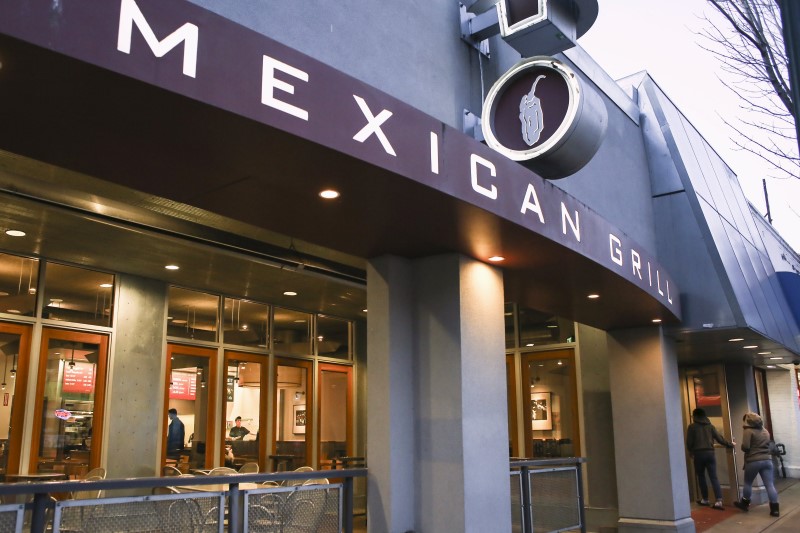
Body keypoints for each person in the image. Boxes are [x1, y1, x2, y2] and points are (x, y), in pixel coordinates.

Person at [686, 408, 734, 510]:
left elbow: (689, 442)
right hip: (710, 453)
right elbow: (719, 438)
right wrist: (730, 444)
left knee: (701, 476)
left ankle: (705, 499)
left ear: (695, 416)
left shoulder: (692, 427)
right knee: (713, 477)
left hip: (698, 454)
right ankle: (719, 500)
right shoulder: (710, 426)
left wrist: (691, 451)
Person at [734, 412, 780, 516]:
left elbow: (746, 447)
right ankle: (775, 509)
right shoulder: (765, 431)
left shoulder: (748, 431)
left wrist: (741, 446)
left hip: (753, 460)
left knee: (748, 483)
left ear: (749, 421)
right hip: (767, 460)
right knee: (769, 484)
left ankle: (745, 504)